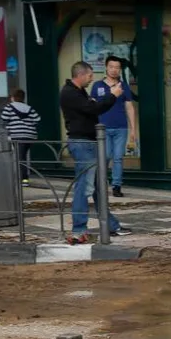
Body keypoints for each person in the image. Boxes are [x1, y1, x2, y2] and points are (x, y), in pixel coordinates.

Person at [59, 61, 125, 244]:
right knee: (85, 187)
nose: (91, 79)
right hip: (82, 143)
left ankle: (111, 225)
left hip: (88, 141)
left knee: (97, 186)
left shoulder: (77, 92)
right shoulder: (70, 92)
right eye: (89, 76)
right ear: (80, 75)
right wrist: (112, 95)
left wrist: (95, 102)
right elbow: (92, 109)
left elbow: (90, 107)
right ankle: (78, 229)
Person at [89, 55, 137, 198]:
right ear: (106, 67)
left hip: (121, 127)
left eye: (117, 67)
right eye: (111, 67)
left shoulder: (123, 86)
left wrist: (133, 129)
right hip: (102, 127)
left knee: (118, 157)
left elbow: (129, 107)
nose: (114, 70)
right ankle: (101, 184)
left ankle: (116, 185)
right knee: (105, 156)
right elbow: (91, 106)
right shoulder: (97, 86)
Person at [0, 89, 40, 183]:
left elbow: (4, 118)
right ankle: (23, 177)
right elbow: (37, 119)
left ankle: (24, 179)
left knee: (20, 158)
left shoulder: (9, 107)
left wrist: (10, 125)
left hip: (17, 135)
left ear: (13, 97)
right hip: (30, 135)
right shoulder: (29, 108)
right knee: (23, 156)